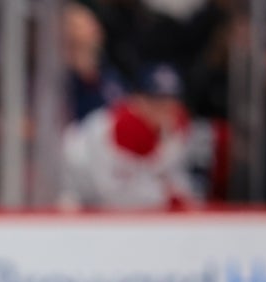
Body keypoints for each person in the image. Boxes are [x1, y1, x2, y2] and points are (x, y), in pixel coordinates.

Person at [59, 62, 198, 210]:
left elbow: (175, 176)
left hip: (128, 199)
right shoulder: (109, 130)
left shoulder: (175, 128)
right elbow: (112, 195)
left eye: (172, 101)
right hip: (76, 193)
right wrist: (165, 197)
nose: (166, 109)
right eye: (158, 101)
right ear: (138, 100)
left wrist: (179, 194)